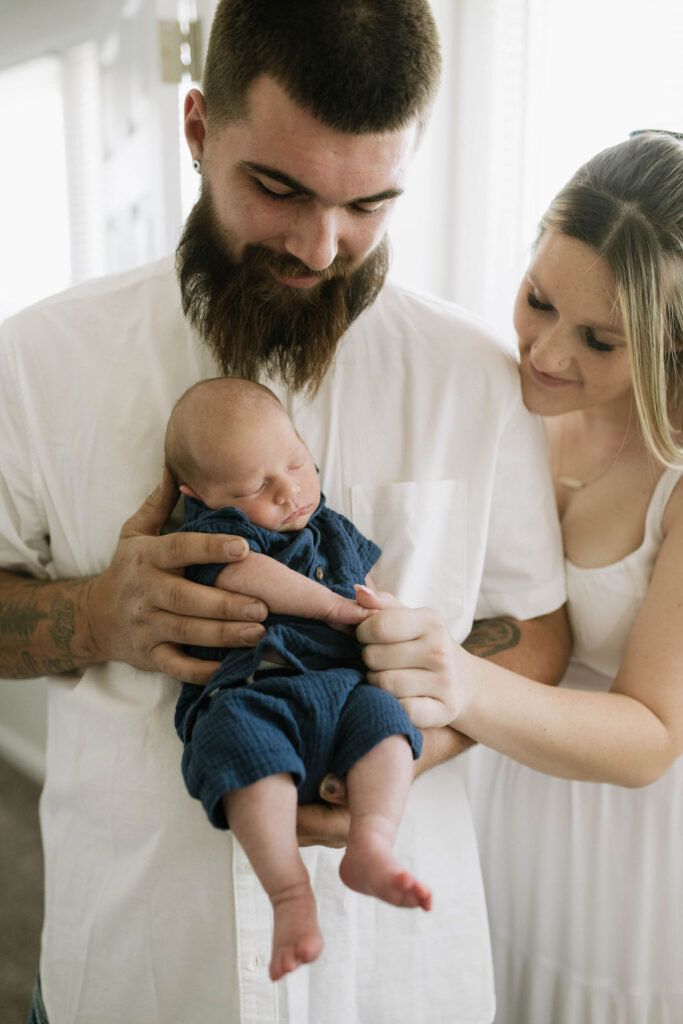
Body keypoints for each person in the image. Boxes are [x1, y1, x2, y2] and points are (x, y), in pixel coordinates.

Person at [0, 3, 569, 1022]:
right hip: (133, 967)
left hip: (399, 981)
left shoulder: (475, 379)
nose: (321, 243)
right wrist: (92, 617)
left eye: (369, 204)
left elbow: (532, 632)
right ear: (196, 129)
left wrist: (389, 754)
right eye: (277, 188)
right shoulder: (36, 365)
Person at [354, 132, 683, 1023]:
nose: (543, 351)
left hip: (626, 842)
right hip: (500, 792)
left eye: (599, 340)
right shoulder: (510, 400)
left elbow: (653, 734)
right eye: (537, 300)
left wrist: (456, 680)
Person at [166, 377, 430, 982]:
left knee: (390, 726)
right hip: (253, 695)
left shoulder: (328, 526)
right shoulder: (213, 538)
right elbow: (241, 575)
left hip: (342, 695)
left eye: (297, 463)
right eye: (257, 486)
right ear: (200, 496)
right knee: (237, 751)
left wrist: (382, 609)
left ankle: (372, 841)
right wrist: (333, 608)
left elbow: (366, 586)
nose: (289, 492)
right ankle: (289, 893)